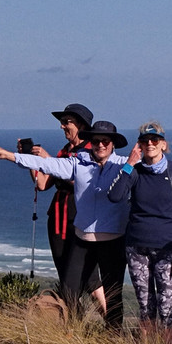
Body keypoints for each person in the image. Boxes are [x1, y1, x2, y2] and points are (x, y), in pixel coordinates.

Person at [0, 123, 172, 328]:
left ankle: (113, 338)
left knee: (113, 294)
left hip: (113, 241)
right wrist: (10, 156)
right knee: (69, 291)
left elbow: (156, 165)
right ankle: (69, 334)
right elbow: (46, 164)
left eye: (105, 141)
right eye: (96, 141)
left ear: (112, 144)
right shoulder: (77, 163)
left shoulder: (124, 164)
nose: (100, 145)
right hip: (82, 240)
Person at [107, 122, 172, 344]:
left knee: (167, 308)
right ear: (140, 145)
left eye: (155, 140)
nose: (150, 144)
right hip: (137, 249)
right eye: (145, 141)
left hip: (167, 249)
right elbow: (115, 196)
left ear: (163, 144)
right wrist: (129, 163)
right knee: (145, 307)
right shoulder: (134, 171)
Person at [30, 103, 107, 313]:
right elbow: (42, 184)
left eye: (66, 122)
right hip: (58, 217)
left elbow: (82, 181)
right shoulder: (64, 151)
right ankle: (74, 318)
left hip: (81, 217)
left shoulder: (91, 150)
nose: (62, 126)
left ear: (80, 125)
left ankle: (111, 321)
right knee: (65, 272)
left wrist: (49, 161)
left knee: (90, 276)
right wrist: (33, 161)